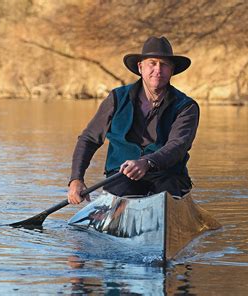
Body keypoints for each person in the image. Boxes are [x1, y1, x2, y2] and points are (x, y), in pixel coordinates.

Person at [67, 36, 199, 204]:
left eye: (164, 64)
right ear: (140, 67)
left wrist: (148, 162)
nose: (158, 70)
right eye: (152, 63)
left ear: (172, 70)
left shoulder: (186, 106)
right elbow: (89, 139)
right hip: (121, 176)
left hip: (169, 176)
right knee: (124, 190)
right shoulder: (117, 98)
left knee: (167, 195)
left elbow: (178, 145)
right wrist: (76, 179)